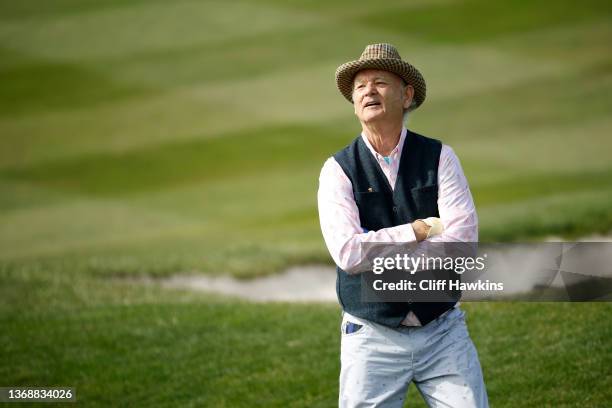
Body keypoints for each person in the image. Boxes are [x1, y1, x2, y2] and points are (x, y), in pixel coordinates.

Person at [317, 43, 489, 407]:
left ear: (406, 95)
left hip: (442, 329)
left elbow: (461, 245)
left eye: (379, 81)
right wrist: (417, 230)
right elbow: (348, 254)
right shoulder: (337, 170)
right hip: (370, 335)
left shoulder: (441, 156)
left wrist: (376, 248)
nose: (368, 91)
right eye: (360, 86)